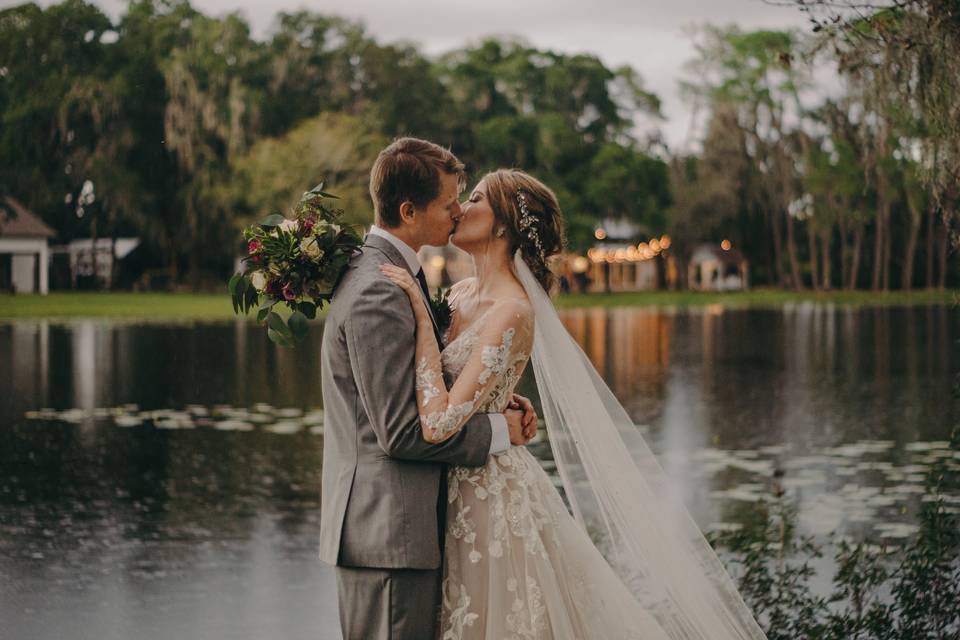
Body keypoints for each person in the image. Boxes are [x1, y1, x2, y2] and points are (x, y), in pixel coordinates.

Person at [380, 168, 768, 639]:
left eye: (476, 198)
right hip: (447, 486)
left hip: (488, 499)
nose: (461, 207)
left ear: (503, 224)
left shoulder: (512, 311)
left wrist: (423, 321)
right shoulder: (460, 294)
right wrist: (497, 403)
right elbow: (452, 387)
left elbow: (440, 421)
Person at [318, 138, 538, 640]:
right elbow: (401, 434)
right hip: (388, 535)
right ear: (409, 211)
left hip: (409, 531)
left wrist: (496, 400)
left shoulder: (394, 275)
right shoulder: (378, 288)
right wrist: (499, 431)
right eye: (449, 202)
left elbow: (434, 382)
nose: (459, 210)